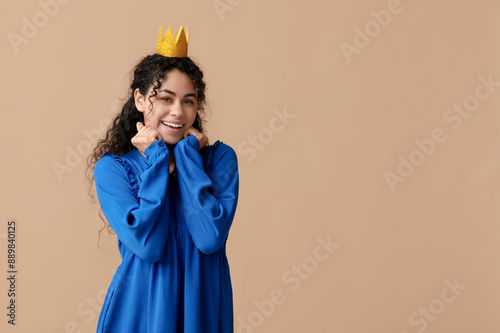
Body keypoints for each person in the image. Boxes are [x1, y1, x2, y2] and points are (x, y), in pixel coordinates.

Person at [85, 26, 240, 333]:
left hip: (202, 313)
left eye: (188, 101)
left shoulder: (219, 160)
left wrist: (186, 158)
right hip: (138, 314)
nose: (178, 112)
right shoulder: (113, 169)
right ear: (140, 100)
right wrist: (157, 159)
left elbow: (209, 238)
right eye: (166, 98)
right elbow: (148, 245)